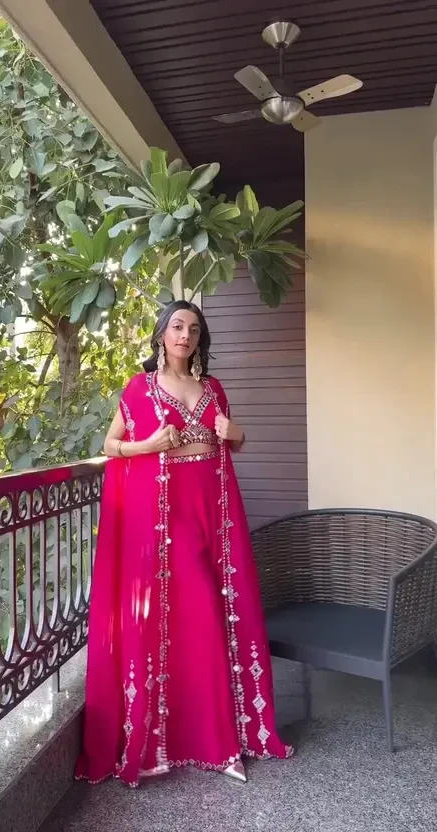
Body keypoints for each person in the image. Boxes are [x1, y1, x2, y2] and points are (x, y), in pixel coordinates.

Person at [75, 300, 294, 789]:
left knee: (213, 615)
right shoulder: (140, 388)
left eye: (194, 329)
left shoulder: (213, 389)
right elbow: (110, 445)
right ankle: (198, 744)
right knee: (188, 615)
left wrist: (237, 433)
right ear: (161, 334)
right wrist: (148, 445)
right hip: (163, 517)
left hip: (213, 512)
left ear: (200, 339)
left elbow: (232, 441)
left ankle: (223, 739)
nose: (185, 336)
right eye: (177, 326)